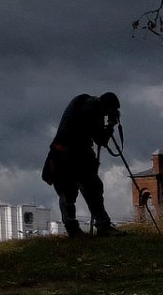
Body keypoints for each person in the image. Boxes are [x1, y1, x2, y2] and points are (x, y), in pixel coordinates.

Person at [41, 92, 124, 237]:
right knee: (91, 190)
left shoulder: (83, 102)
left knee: (68, 192)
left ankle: (73, 228)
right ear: (106, 107)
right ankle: (102, 225)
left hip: (62, 155)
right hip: (75, 156)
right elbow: (101, 140)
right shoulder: (92, 111)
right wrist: (110, 125)